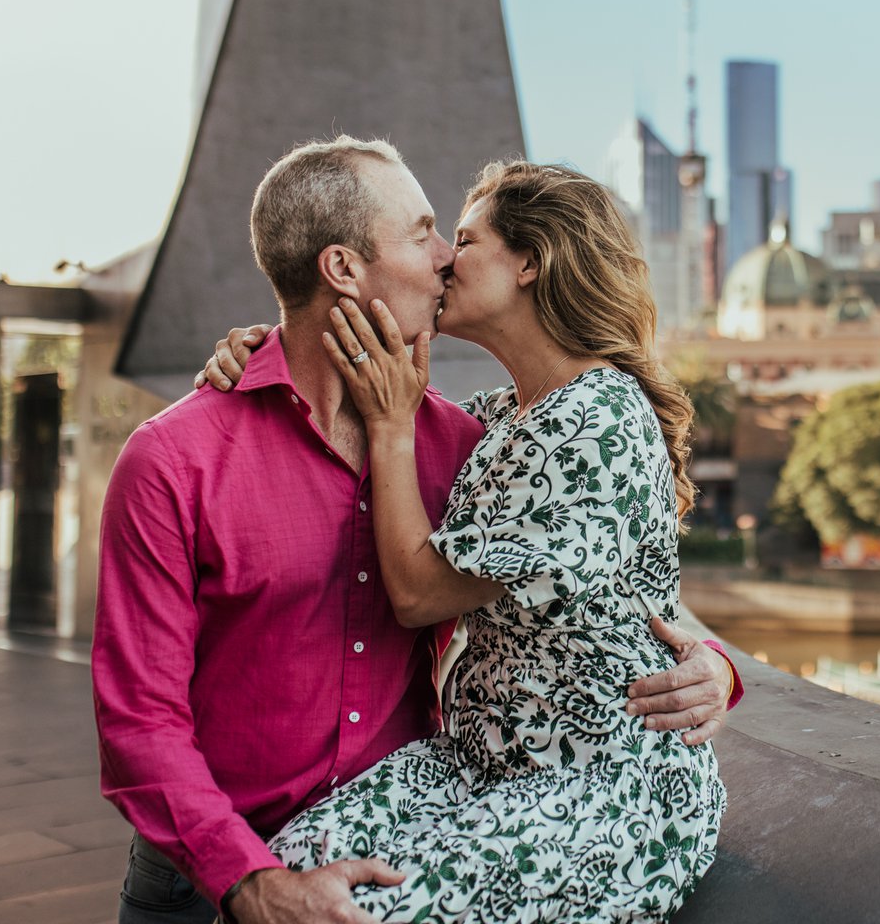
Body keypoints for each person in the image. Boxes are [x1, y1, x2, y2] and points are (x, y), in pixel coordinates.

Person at [93, 138, 736, 924]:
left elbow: (617, 570)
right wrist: (253, 883)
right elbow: (137, 721)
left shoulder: (460, 444)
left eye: (457, 237)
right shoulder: (175, 459)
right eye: (426, 233)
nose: (443, 258)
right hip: (208, 867)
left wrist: (716, 666)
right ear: (342, 268)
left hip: (420, 826)